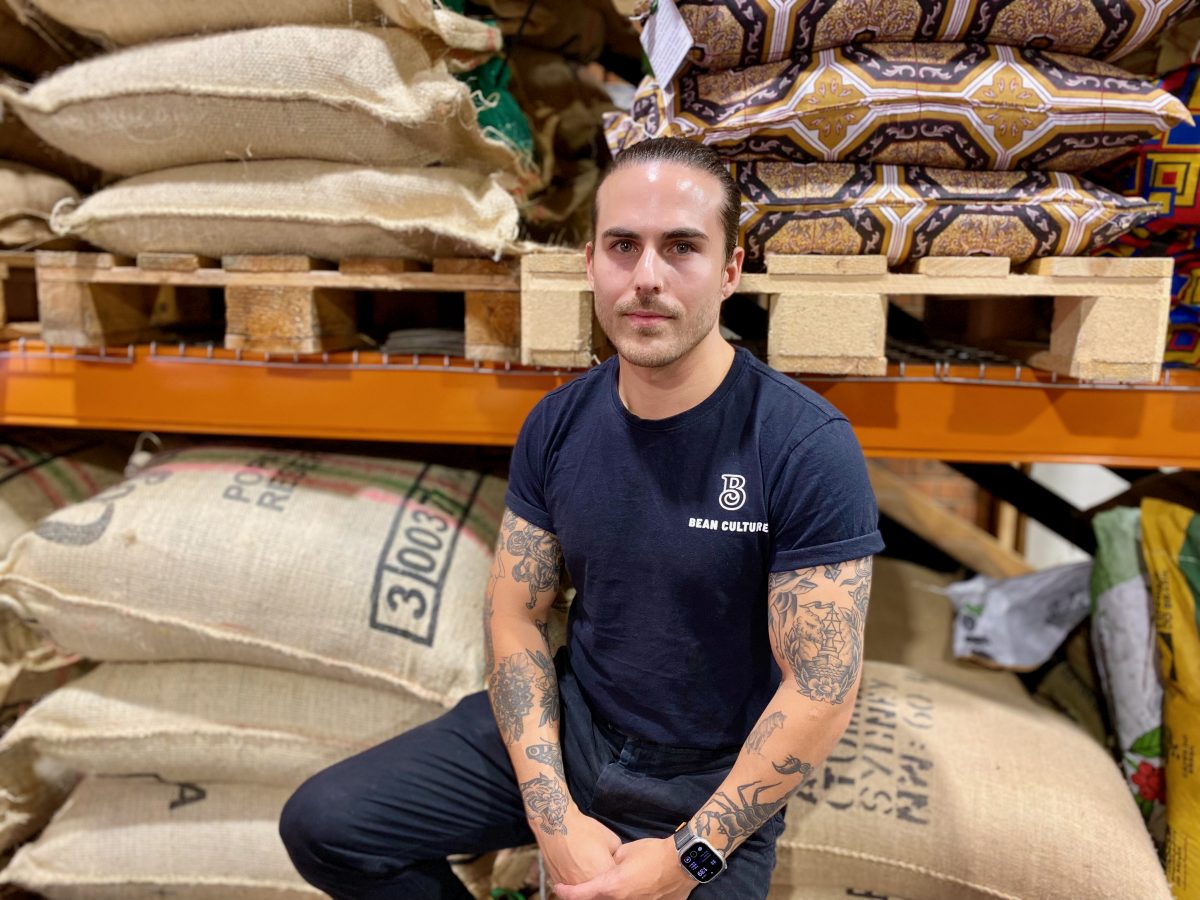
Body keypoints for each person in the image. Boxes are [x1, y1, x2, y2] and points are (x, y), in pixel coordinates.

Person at [279, 136, 883, 899]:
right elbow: (517, 618)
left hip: (706, 783)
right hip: (574, 733)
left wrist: (690, 856)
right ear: (590, 262)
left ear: (730, 271)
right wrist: (551, 813)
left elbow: (822, 685)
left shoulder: (803, 446)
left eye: (682, 249)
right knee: (325, 826)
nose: (648, 278)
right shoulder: (557, 425)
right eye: (623, 246)